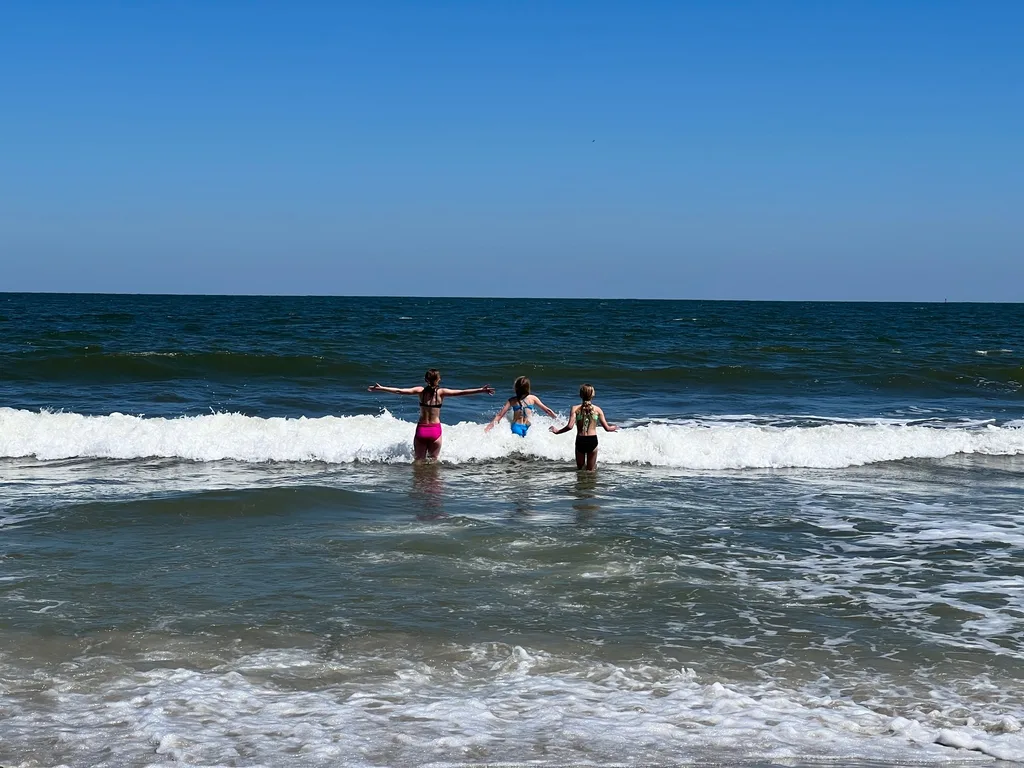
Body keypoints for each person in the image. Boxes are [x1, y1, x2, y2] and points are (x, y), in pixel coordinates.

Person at [368, 369, 494, 460]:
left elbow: (399, 391)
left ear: (425, 380)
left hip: (421, 430)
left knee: (418, 462)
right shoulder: (441, 392)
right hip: (435, 430)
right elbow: (461, 392)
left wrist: (381, 388)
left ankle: (419, 487)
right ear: (438, 380)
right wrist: (481, 390)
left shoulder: (420, 391)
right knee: (433, 462)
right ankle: (432, 489)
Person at [549, 384, 618, 470]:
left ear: (580, 395)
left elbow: (570, 426)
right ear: (593, 395)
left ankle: (580, 483)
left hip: (580, 440)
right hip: (592, 440)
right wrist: (614, 428)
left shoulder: (575, 408)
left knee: (580, 469)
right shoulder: (598, 410)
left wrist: (557, 431)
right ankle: (590, 483)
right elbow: (607, 428)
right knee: (591, 470)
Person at [485, 376, 557, 437]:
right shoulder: (533, 398)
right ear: (528, 388)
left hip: (516, 427)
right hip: (529, 427)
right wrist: (558, 420)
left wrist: (488, 428)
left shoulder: (512, 400)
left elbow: (500, 415)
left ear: (516, 388)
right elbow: (547, 411)